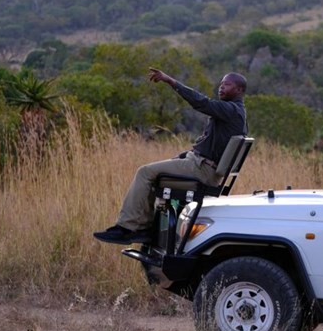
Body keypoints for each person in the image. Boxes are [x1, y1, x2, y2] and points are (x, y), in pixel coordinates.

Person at [93, 67, 248, 244]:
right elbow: (211, 145)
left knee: (144, 172)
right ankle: (144, 229)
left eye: (227, 85)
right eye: (221, 84)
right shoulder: (234, 111)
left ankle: (126, 228)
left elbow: (201, 102)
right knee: (153, 174)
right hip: (199, 164)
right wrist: (184, 155)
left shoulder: (231, 110)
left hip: (202, 170)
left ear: (239, 90)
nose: (221, 87)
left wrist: (170, 81)